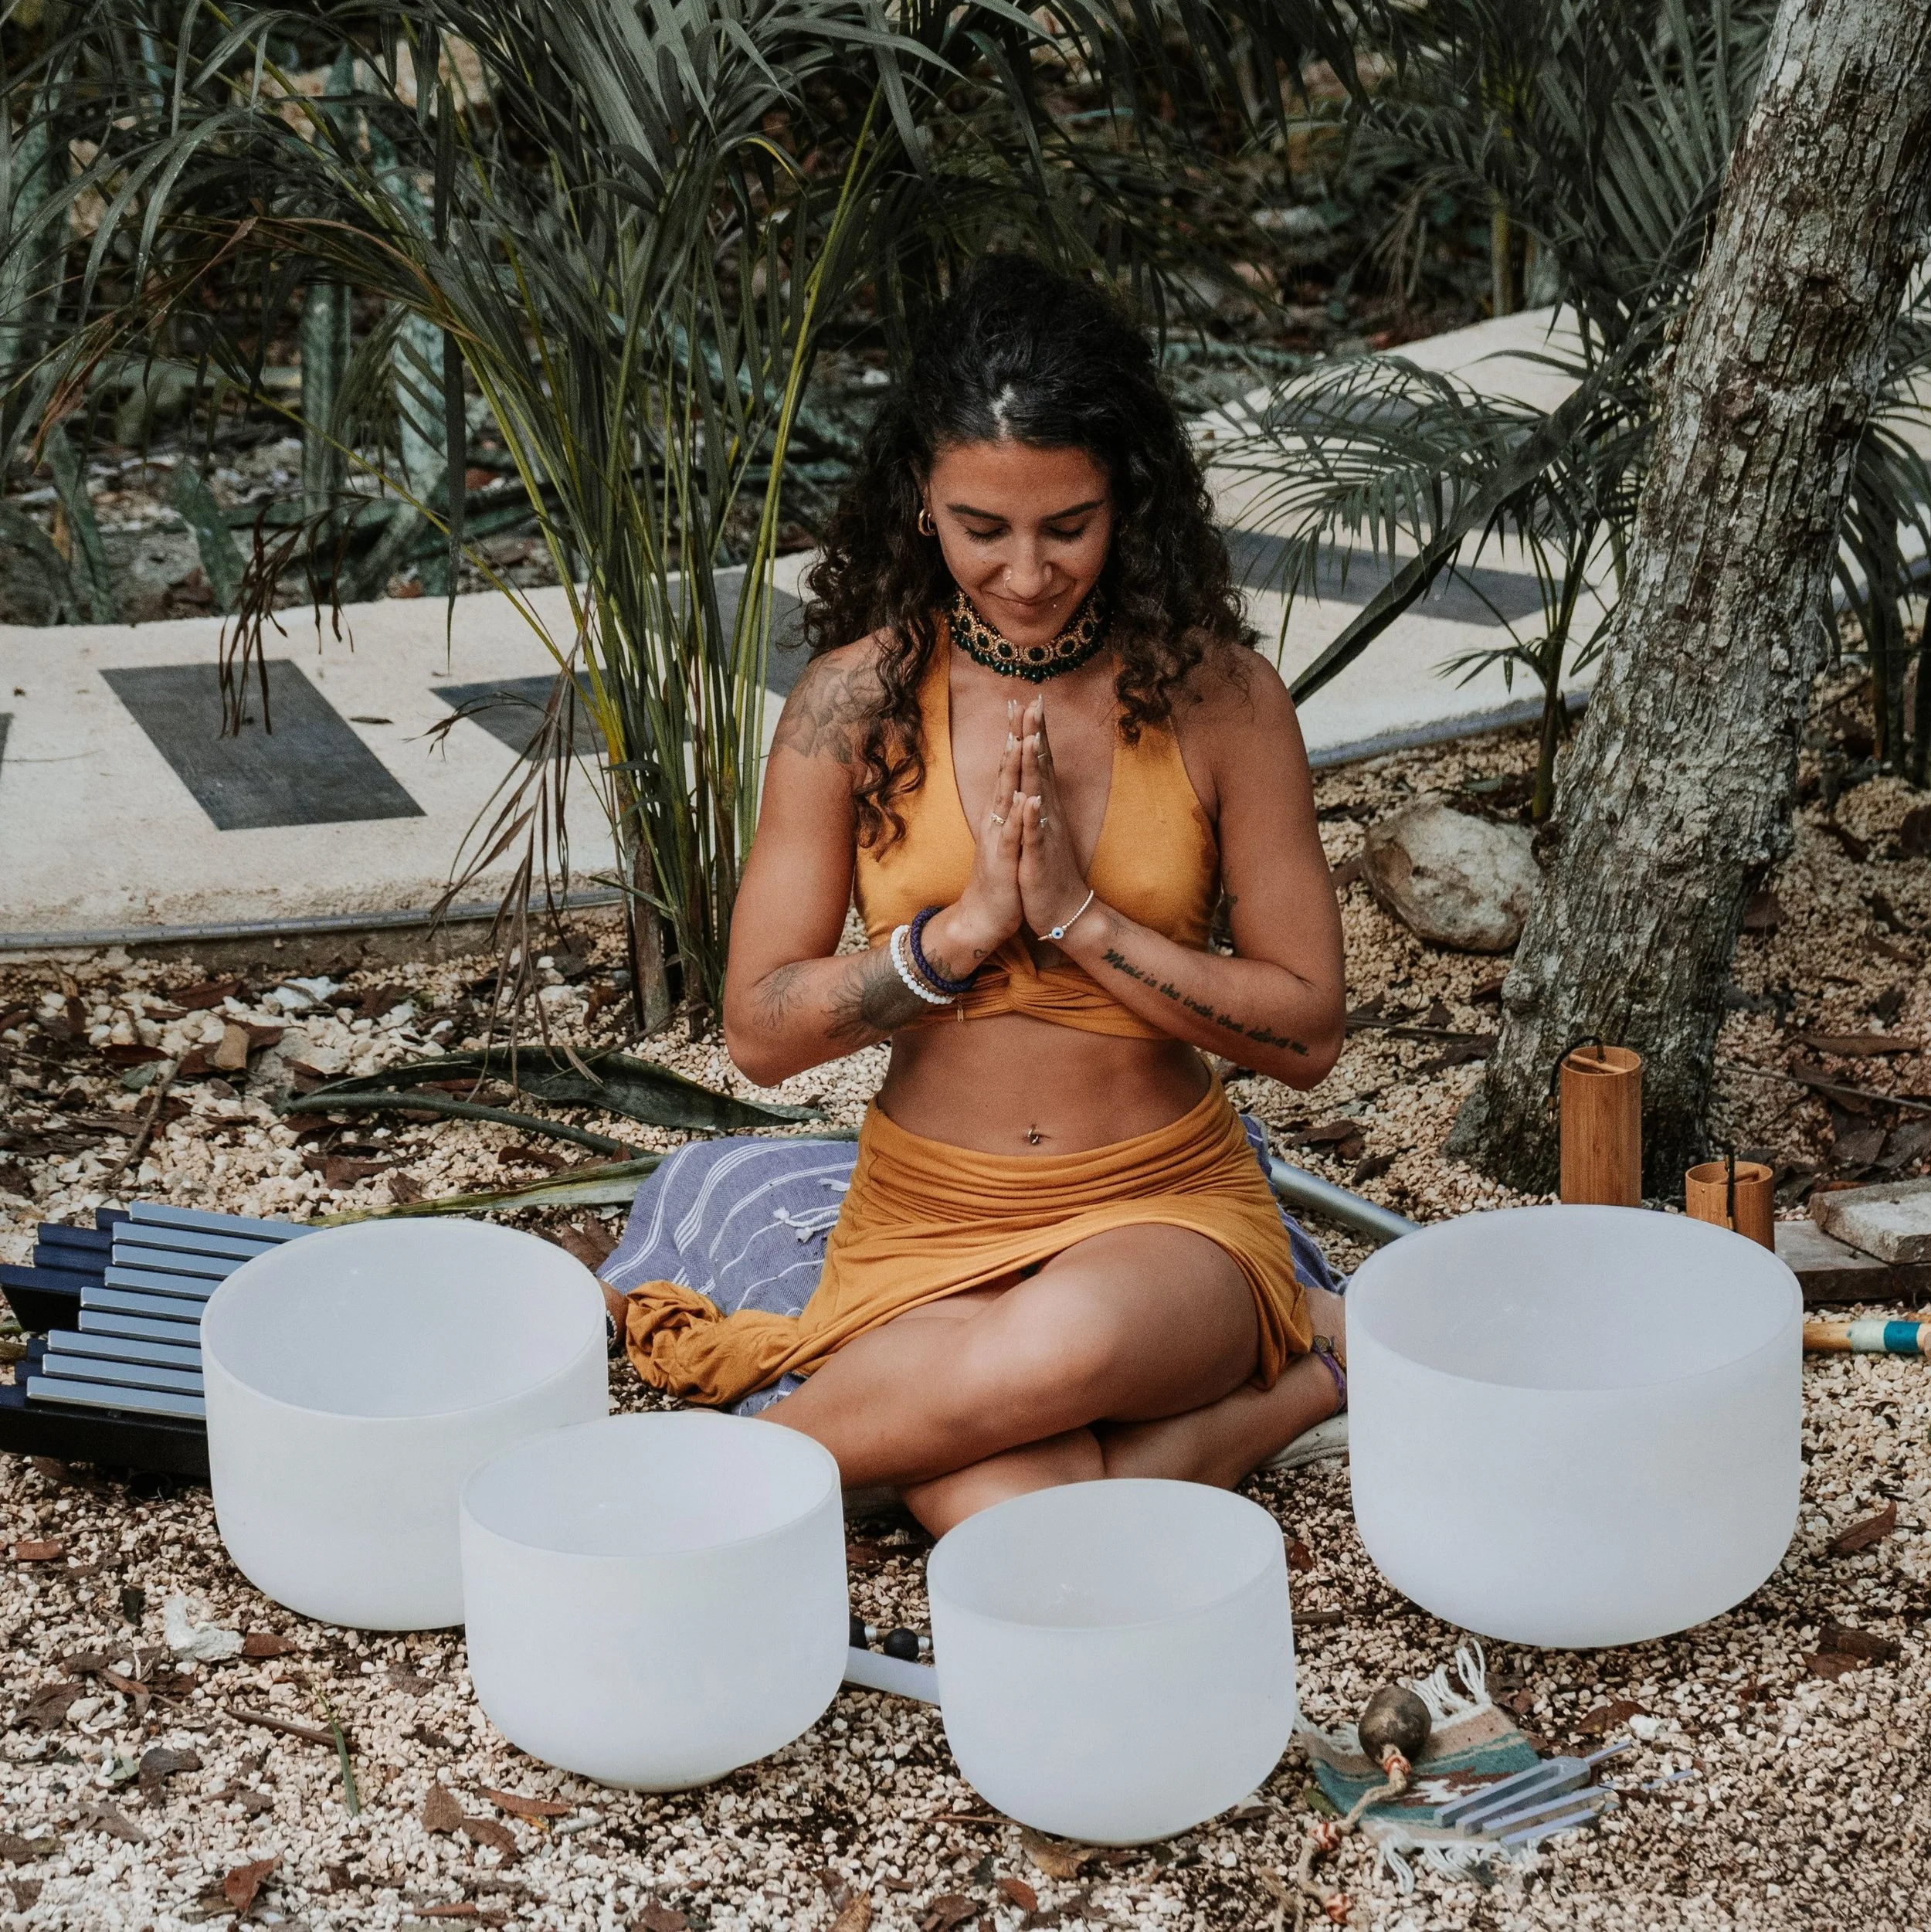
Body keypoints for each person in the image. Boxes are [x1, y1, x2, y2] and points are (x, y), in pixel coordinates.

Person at [608, 256, 1349, 1535]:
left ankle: (689, 1504)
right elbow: (762, 1033)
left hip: (1162, 1202)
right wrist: (953, 940)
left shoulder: (1223, 700)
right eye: (981, 528)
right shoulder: (851, 705)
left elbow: (1308, 1031)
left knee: (1061, 1347)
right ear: (919, 502)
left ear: (1130, 500)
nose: (1026, 571)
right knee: (1022, 1517)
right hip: (923, 1217)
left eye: (1068, 525)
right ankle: (1318, 1376)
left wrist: (1078, 920)